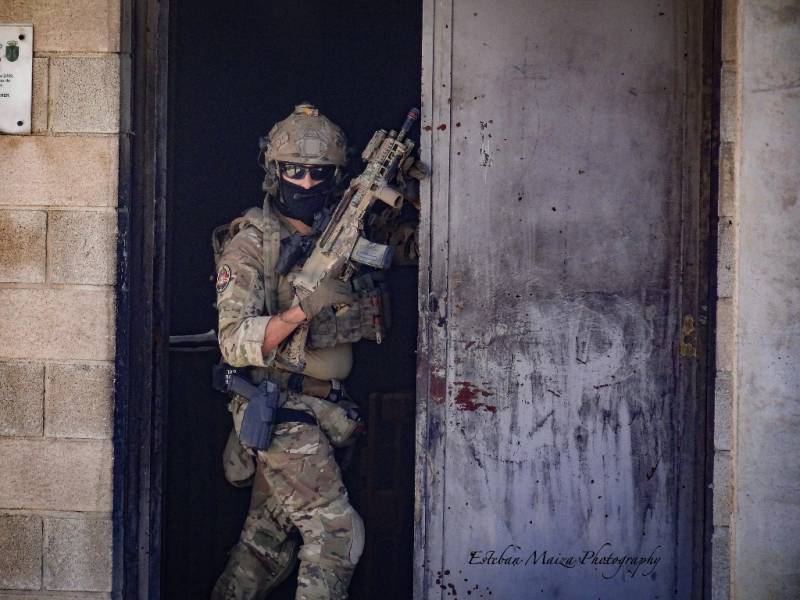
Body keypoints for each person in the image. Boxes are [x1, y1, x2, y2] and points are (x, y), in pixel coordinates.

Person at [211, 103, 370, 600]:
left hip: (321, 407)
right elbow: (234, 341)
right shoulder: (252, 244)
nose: (304, 183)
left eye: (318, 173)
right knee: (335, 538)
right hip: (281, 410)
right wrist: (304, 309)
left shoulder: (339, 232)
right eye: (293, 171)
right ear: (273, 170)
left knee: (264, 547)